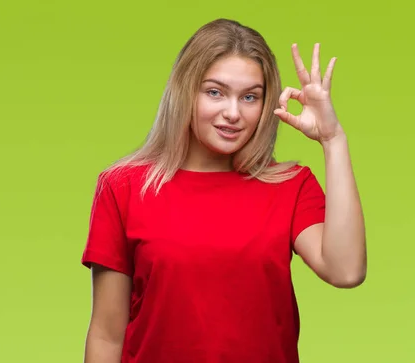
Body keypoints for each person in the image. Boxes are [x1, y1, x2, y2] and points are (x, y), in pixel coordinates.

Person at [80, 18, 367, 363]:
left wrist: (332, 140)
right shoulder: (123, 187)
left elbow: (346, 271)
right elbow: (107, 335)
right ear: (186, 90)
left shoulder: (290, 185)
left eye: (250, 97)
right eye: (215, 92)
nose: (233, 113)